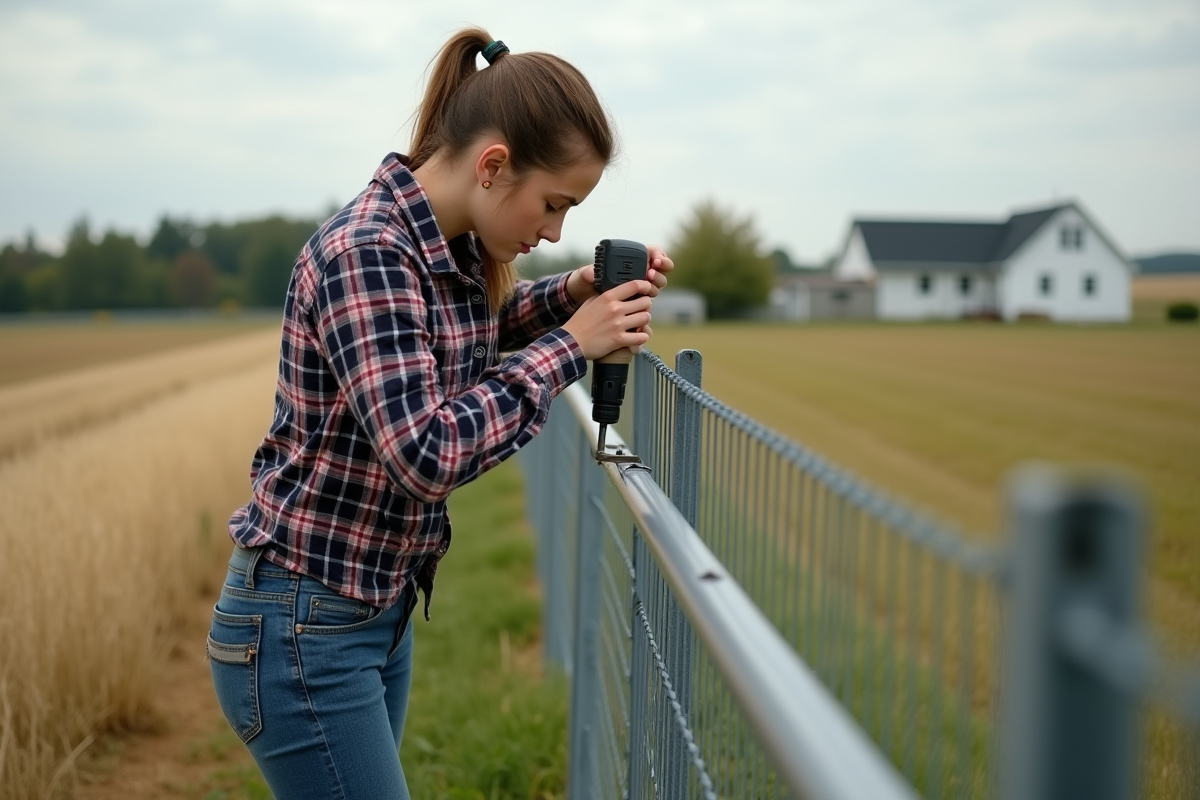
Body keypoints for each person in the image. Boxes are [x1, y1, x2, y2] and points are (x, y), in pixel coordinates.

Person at [206, 26, 675, 800]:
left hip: (365, 614)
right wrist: (570, 346)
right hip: (302, 629)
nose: (554, 230)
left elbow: (462, 331)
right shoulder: (370, 251)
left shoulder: (441, 247)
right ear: (494, 166)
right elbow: (424, 452)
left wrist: (574, 292)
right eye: (554, 204)